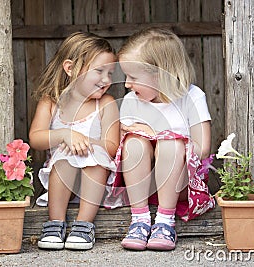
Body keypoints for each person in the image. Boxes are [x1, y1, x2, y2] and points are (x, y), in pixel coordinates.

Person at [105, 28, 215, 251]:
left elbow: (202, 148)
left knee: (171, 144)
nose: (126, 83)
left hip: (181, 185)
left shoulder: (192, 97)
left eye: (133, 77)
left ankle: (165, 223)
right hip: (141, 187)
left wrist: (158, 134)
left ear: (160, 75)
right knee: (134, 142)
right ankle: (140, 220)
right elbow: (119, 148)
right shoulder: (131, 100)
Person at [29, 32, 119, 251]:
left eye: (110, 73)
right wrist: (65, 135)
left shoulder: (106, 104)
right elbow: (35, 138)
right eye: (99, 71)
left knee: (94, 157)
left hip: (96, 186)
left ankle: (83, 225)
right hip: (60, 183)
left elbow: (111, 146)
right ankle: (55, 223)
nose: (106, 80)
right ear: (70, 68)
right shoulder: (51, 102)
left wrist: (85, 143)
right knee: (65, 153)